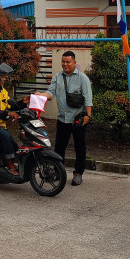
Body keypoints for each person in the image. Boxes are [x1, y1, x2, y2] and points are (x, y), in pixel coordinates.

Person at [37, 51, 93, 186]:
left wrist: (88, 116)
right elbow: (51, 92)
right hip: (63, 119)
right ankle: (58, 171)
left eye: (68, 62)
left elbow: (88, 98)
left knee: (80, 147)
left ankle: (78, 173)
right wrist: (41, 95)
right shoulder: (58, 77)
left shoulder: (82, 78)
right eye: (63, 61)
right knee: (60, 147)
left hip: (78, 119)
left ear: (74, 62)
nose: (65, 64)